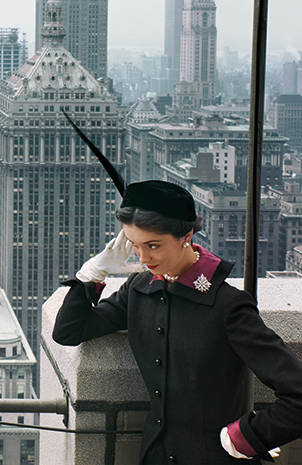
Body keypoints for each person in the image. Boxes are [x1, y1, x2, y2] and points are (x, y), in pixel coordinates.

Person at [52, 180, 302, 464]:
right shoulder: (139, 289)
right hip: (153, 455)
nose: (144, 258)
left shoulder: (227, 305)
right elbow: (68, 331)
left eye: (153, 245)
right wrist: (94, 271)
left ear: (186, 234)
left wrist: (245, 437)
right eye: (134, 245)